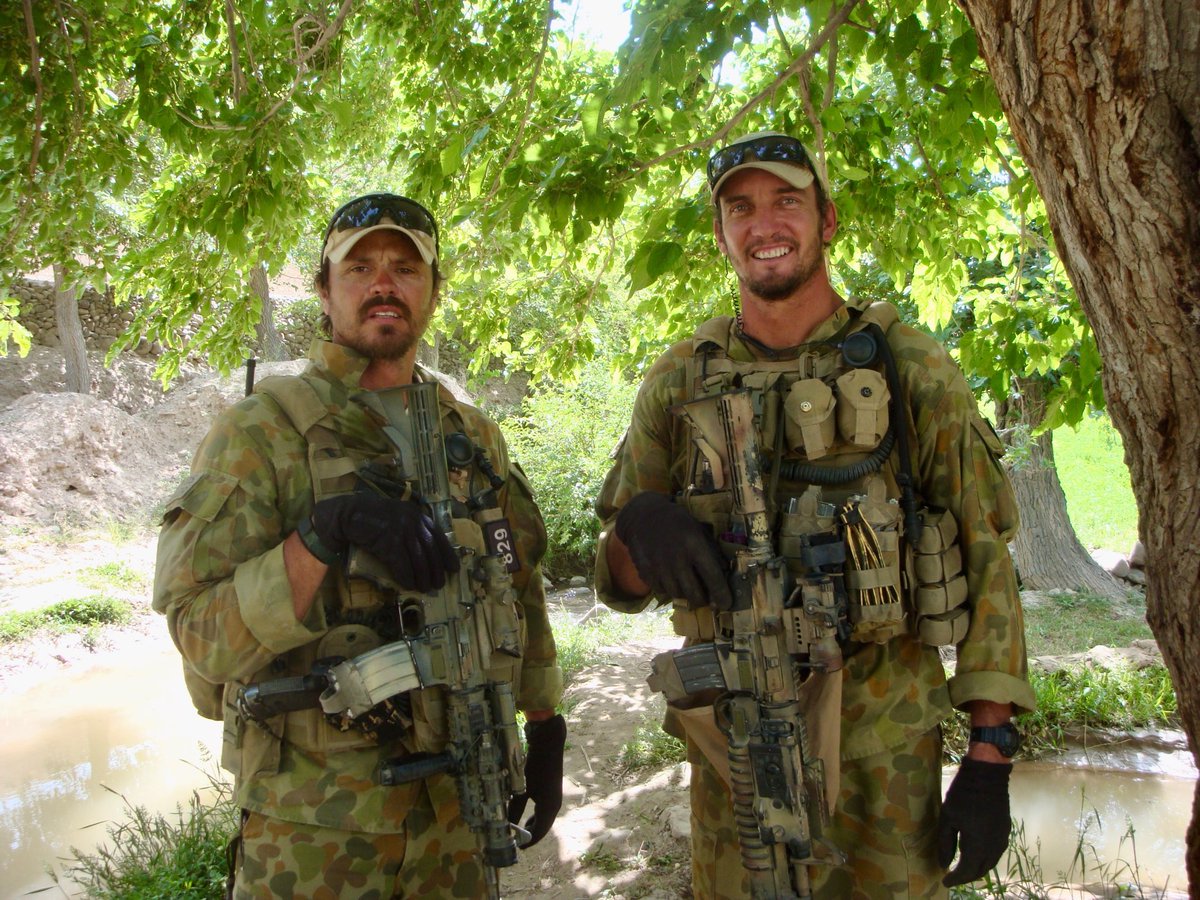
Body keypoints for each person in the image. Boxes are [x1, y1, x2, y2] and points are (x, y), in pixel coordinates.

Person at [594, 132, 1036, 898]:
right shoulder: (677, 380)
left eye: (786, 202)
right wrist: (639, 523)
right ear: (721, 233)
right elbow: (619, 580)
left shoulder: (907, 364)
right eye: (741, 209)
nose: (764, 225)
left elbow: (985, 547)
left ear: (826, 220)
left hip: (885, 749)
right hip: (736, 744)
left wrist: (990, 749)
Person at [154, 193, 565, 899]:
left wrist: (546, 722)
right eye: (361, 267)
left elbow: (514, 585)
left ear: (433, 290)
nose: (384, 284)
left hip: (459, 812)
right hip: (312, 830)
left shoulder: (471, 435)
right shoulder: (261, 434)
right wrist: (320, 536)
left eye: (406, 268)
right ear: (324, 288)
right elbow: (200, 636)